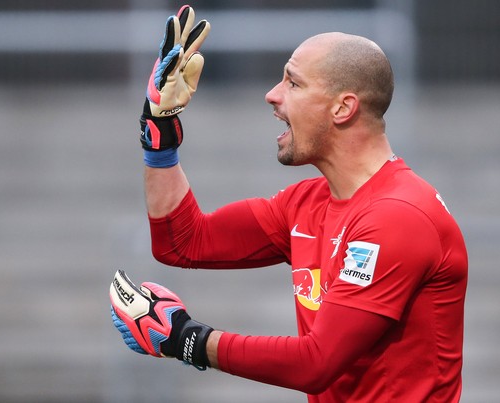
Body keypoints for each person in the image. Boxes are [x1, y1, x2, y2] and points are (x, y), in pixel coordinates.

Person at [109, 5, 468, 402]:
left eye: (293, 84)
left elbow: (316, 362)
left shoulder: (399, 216)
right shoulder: (307, 203)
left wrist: (186, 340)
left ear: (343, 108)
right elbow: (183, 242)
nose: (272, 95)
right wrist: (160, 134)